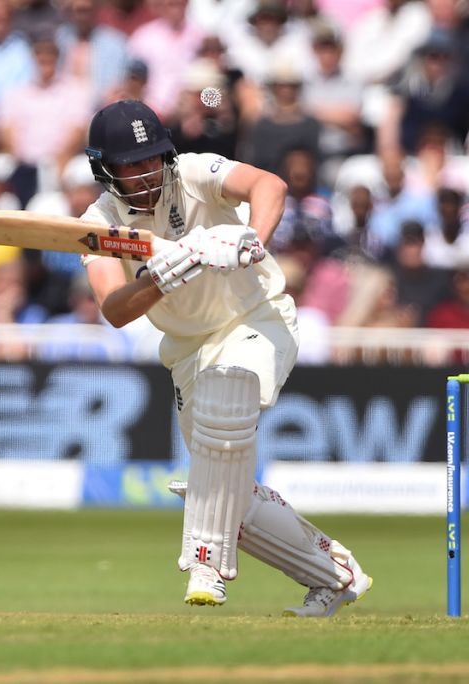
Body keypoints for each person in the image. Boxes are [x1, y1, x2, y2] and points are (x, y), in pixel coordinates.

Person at [80, 99, 371, 616]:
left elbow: (269, 186)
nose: (146, 172)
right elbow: (114, 310)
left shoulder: (192, 171)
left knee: (226, 402)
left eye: (152, 159)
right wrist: (159, 278)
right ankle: (335, 574)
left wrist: (250, 239)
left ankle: (204, 562)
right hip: (188, 349)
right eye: (131, 164)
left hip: (257, 317)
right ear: (106, 170)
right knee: (227, 492)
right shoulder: (99, 221)